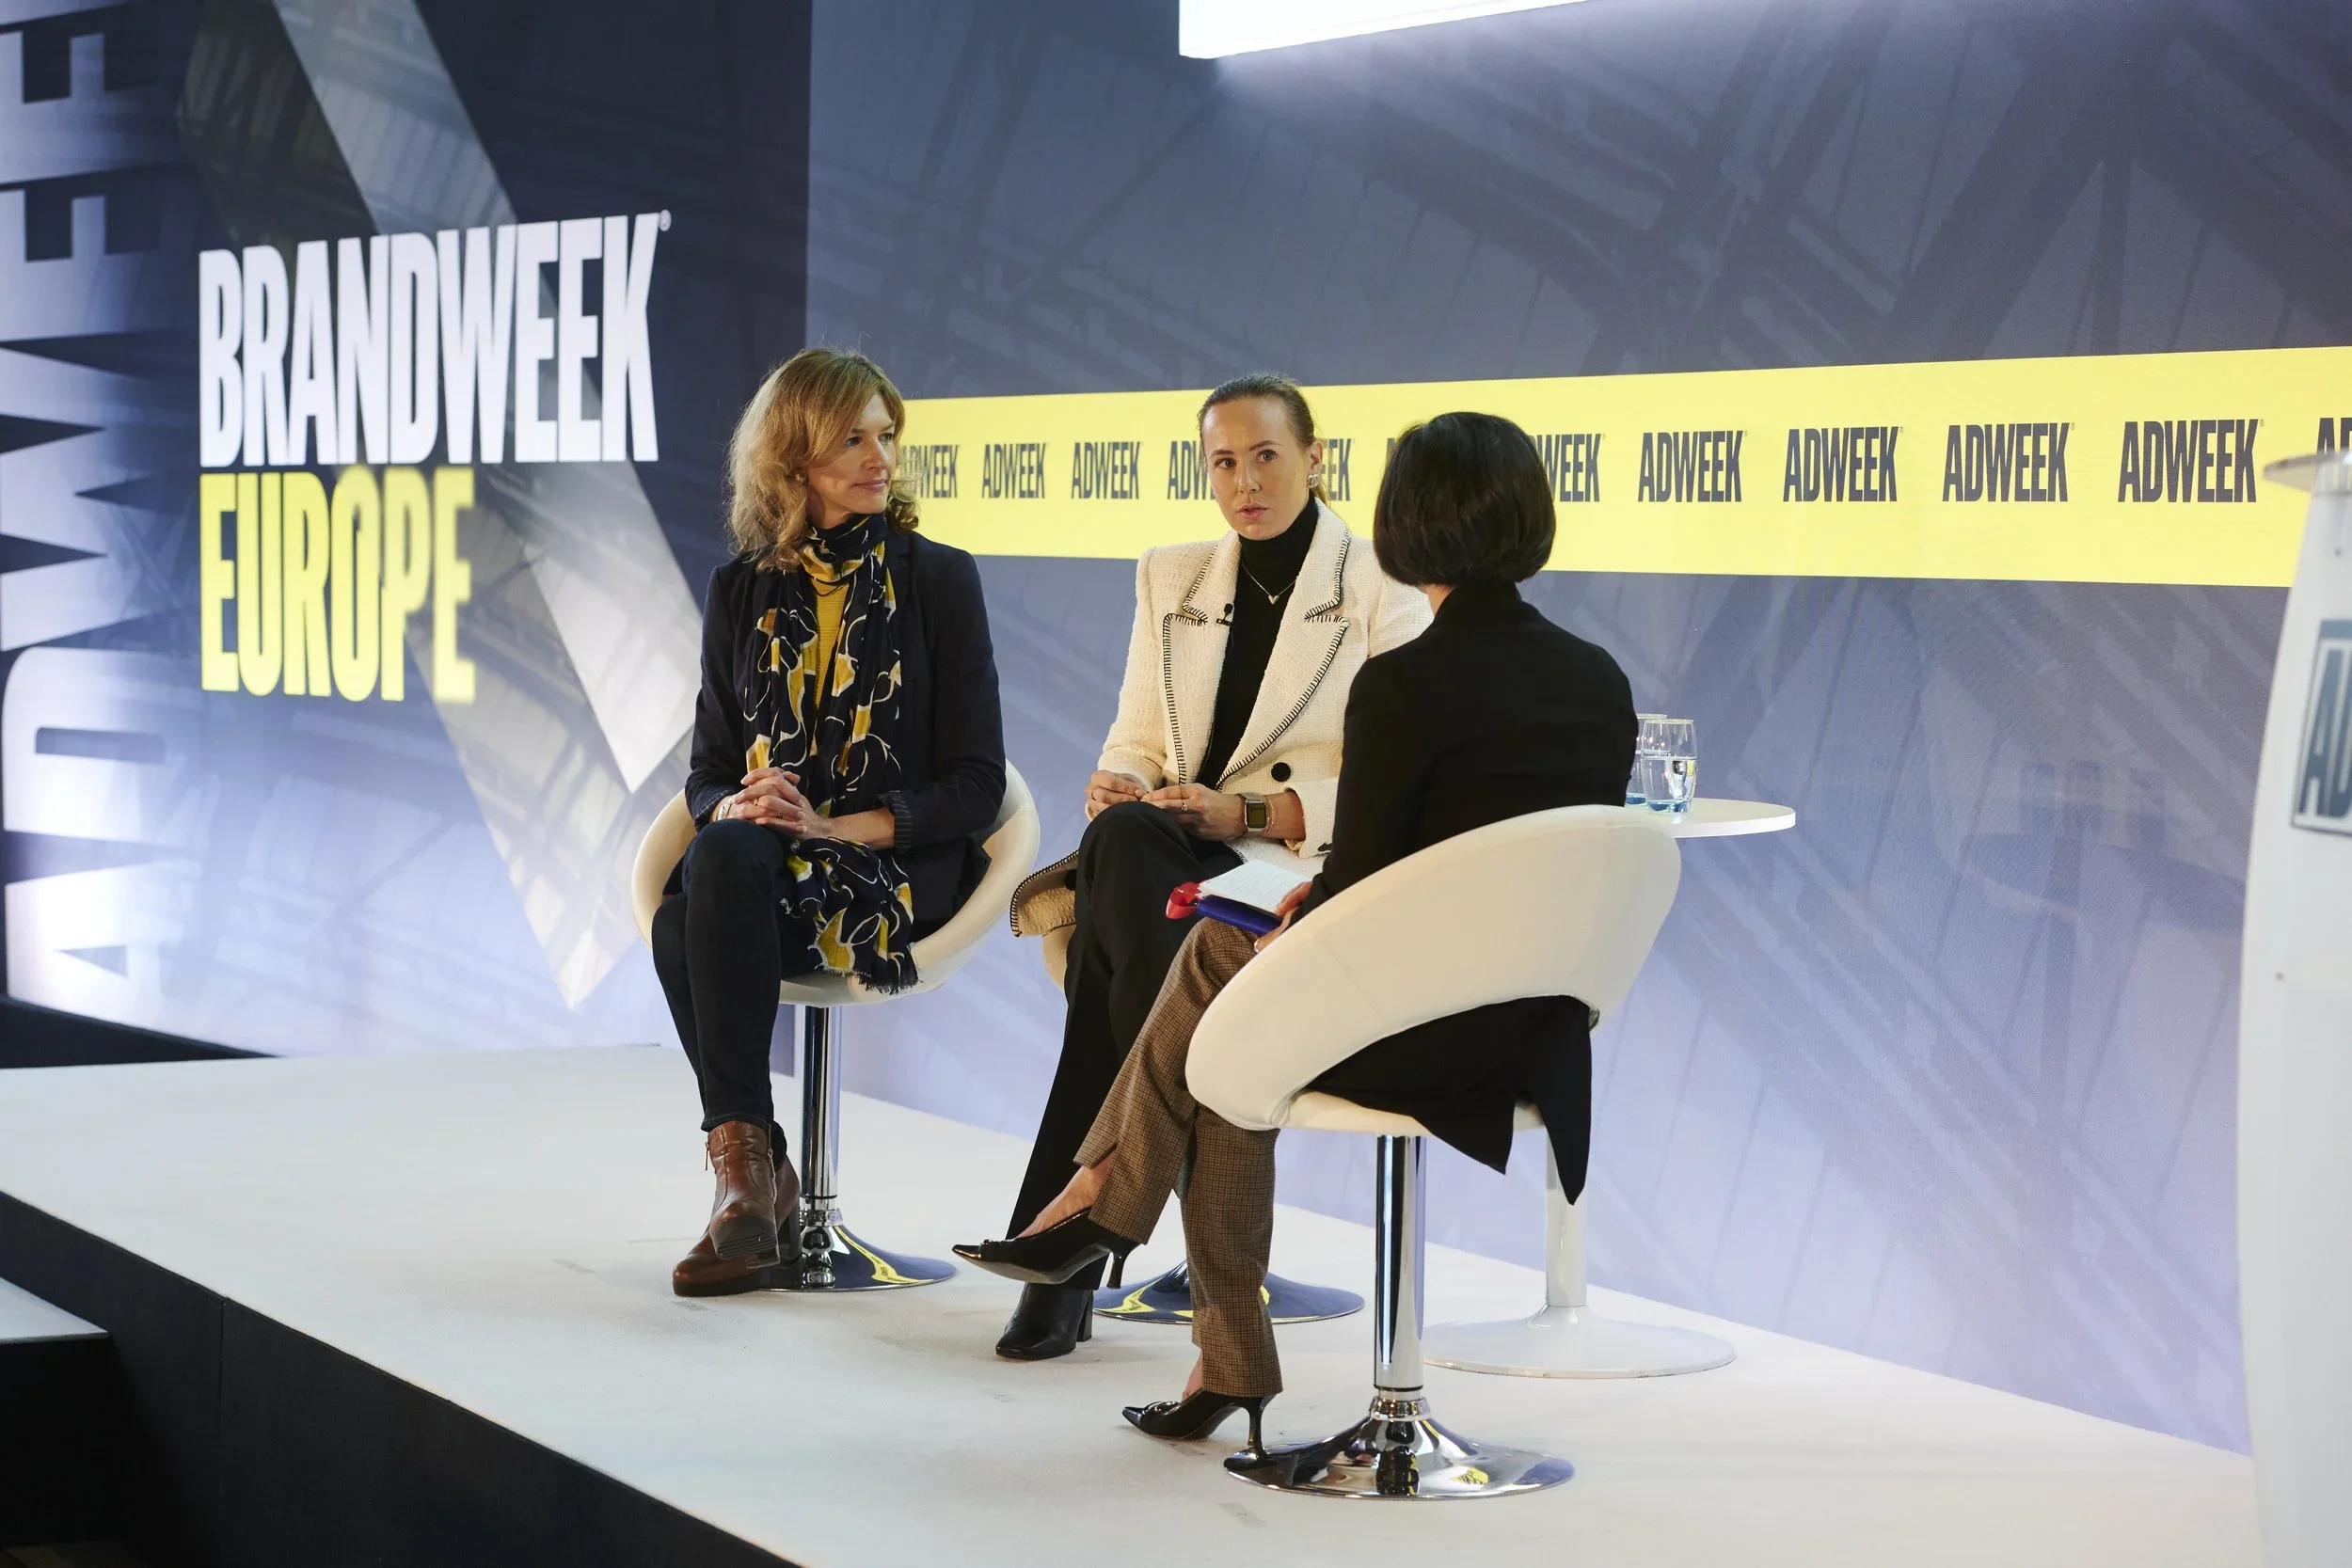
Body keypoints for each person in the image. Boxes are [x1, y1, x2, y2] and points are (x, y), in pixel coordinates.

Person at [957, 411, 1636, 1447]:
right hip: (1537, 1025)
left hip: (1418, 1025)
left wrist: (1285, 924)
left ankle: (1103, 1194)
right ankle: (1211, 1348)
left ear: (1400, 526)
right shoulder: (1601, 679)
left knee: (1227, 981)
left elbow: (1362, 882)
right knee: (1227, 990)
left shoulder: (1402, 684)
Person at [996, 374, 1429, 1359]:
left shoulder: (1379, 583)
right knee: (1119, 834)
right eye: (1223, 461)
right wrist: (1119, 779)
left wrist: (1252, 810)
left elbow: (1394, 780)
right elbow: (1138, 737)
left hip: (1292, 863)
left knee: (1117, 919)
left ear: (1316, 459)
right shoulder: (1170, 574)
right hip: (1173, 863)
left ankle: (1076, 1230)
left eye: (1267, 455)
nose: (1245, 480)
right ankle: (1109, 1208)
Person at [653, 348, 1005, 1298]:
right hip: (765, 864)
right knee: (722, 849)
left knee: (686, 915)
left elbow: (976, 784)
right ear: (793, 459)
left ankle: (749, 1180)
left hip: (893, 862)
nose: (878, 456)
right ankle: (751, 1171)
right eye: (851, 437)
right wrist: (735, 802)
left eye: (884, 434)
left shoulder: (938, 580)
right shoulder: (741, 591)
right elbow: (705, 772)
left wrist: (838, 826)